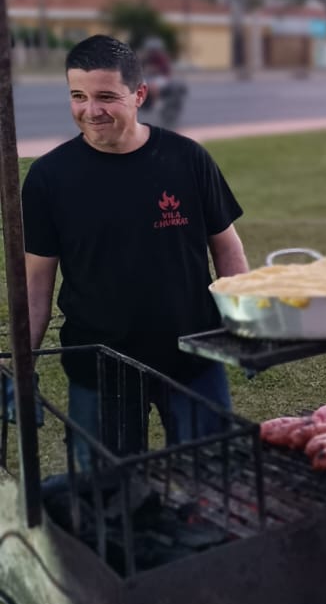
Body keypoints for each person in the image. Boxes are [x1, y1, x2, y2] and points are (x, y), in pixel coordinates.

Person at [19, 35, 250, 453]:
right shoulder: (48, 178)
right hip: (99, 366)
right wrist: (22, 365)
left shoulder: (187, 159)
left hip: (192, 357)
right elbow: (36, 283)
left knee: (213, 473)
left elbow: (227, 247)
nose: (91, 110)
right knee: (107, 486)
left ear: (140, 94)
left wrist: (247, 325)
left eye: (106, 96)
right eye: (78, 96)